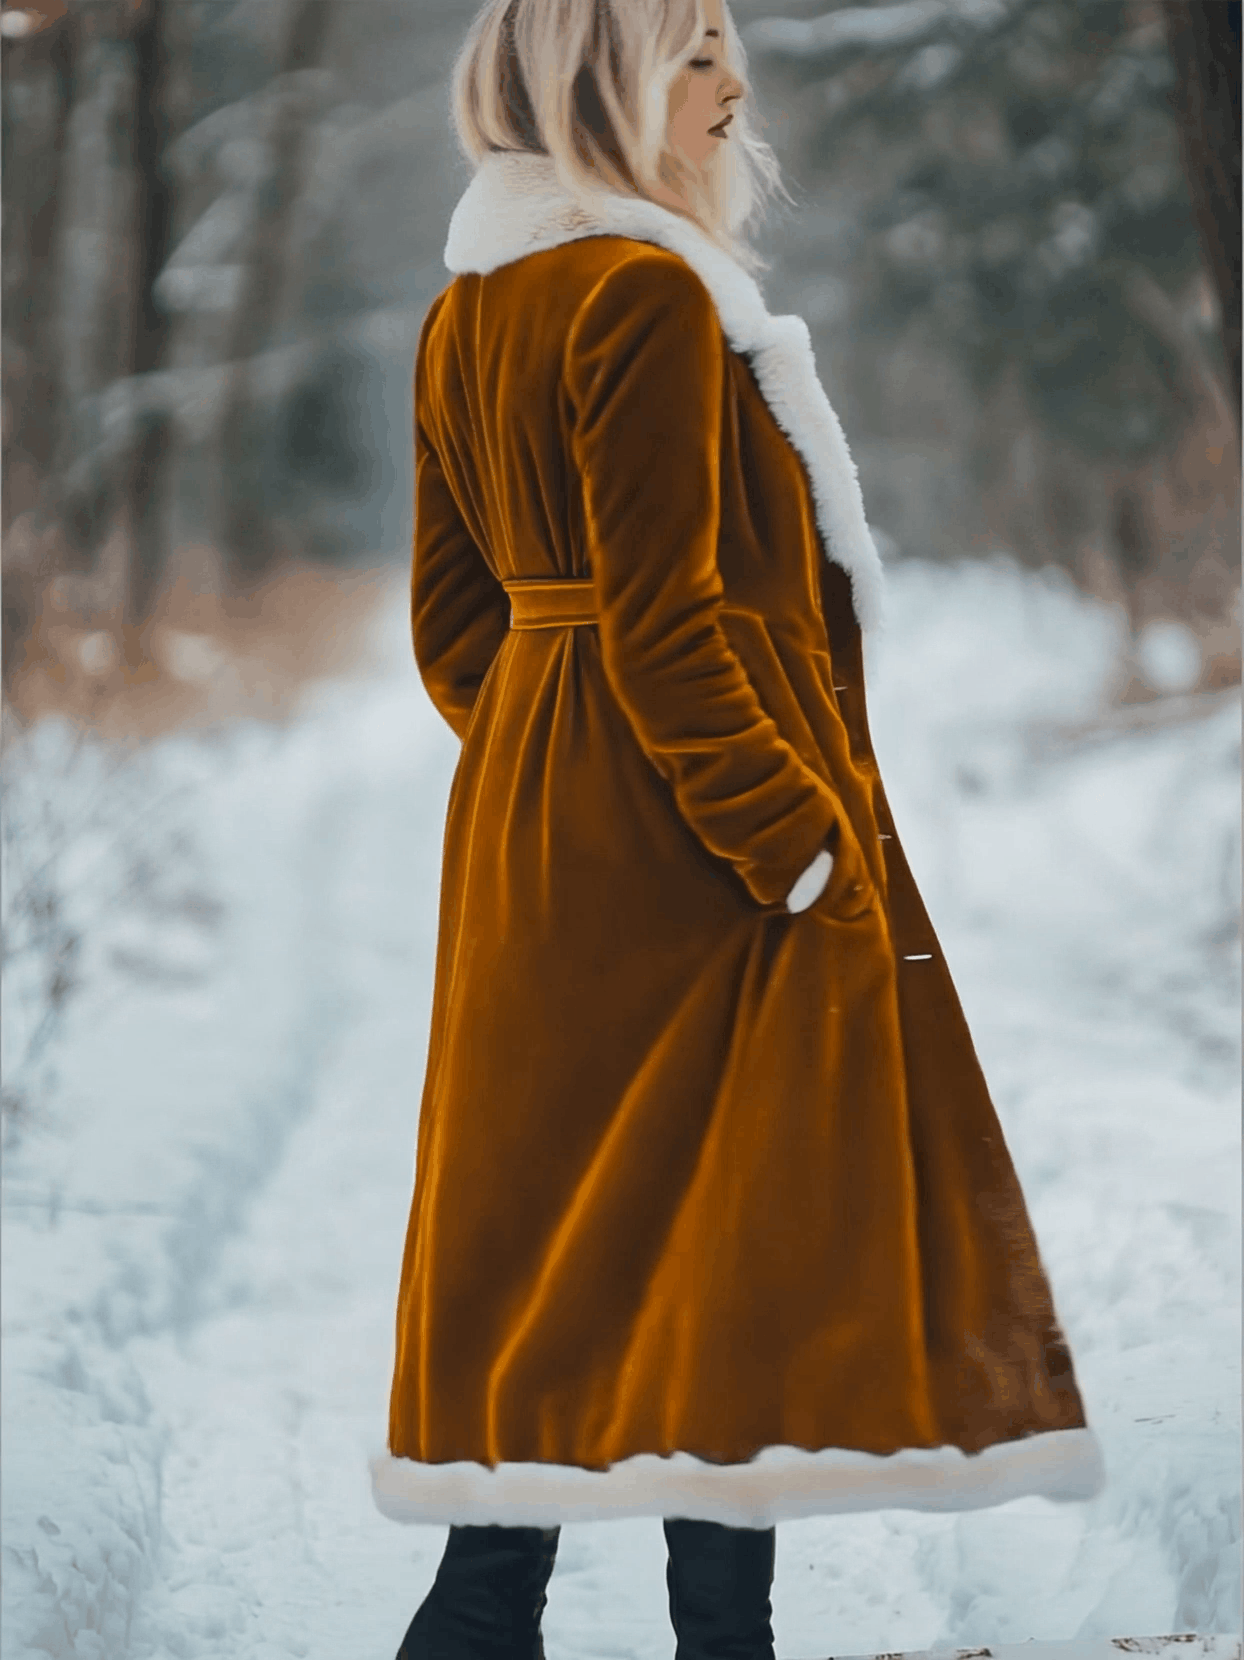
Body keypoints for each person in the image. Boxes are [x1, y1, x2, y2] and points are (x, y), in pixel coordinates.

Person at [371, 1, 1107, 1654]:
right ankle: (714, 1639)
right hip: (698, 844)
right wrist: (784, 835)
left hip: (544, 825)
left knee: (553, 1228)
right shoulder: (638, 292)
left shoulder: (466, 309)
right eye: (694, 49)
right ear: (603, 81)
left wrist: (545, 774)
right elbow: (669, 617)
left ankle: (480, 1619)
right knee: (723, 1234)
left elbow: (452, 630)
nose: (734, 82)